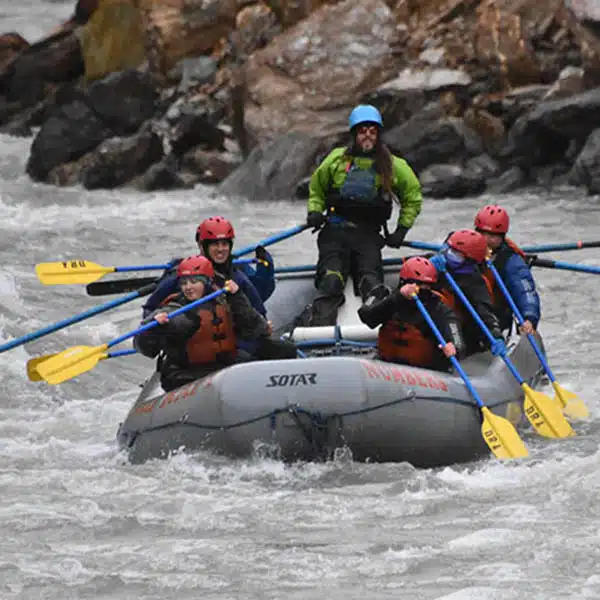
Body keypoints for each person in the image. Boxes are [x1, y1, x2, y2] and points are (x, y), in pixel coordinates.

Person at [305, 104, 423, 326]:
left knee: (371, 283)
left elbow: (413, 197)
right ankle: (320, 330)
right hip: (335, 233)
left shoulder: (393, 166)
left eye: (372, 131)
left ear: (378, 134)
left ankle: (379, 328)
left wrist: (401, 230)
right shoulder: (336, 160)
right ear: (354, 134)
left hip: (368, 236)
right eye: (362, 131)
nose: (367, 135)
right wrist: (314, 211)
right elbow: (317, 188)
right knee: (331, 280)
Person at [134, 256, 295, 392]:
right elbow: (144, 347)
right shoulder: (174, 308)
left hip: (223, 365)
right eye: (184, 283)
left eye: (194, 281)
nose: (188, 287)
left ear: (207, 282)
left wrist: (238, 297)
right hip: (186, 374)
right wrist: (153, 328)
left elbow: (256, 329)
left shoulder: (224, 298)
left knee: (284, 349)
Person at [142, 216, 275, 319]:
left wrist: (266, 271)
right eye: (215, 245)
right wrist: (158, 320)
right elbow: (150, 308)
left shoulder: (238, 270)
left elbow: (260, 298)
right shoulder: (182, 273)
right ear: (202, 246)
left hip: (232, 337)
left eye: (224, 244)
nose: (220, 249)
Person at [358, 257, 466, 371]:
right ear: (403, 282)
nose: (423, 289)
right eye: (419, 285)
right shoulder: (386, 295)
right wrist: (398, 298)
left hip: (422, 371)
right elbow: (366, 316)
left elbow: (457, 339)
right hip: (385, 363)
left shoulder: (438, 308)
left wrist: (454, 348)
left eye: (427, 286)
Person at [429, 229, 505, 356]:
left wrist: (496, 335)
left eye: (455, 255)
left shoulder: (475, 284)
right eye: (449, 251)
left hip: (454, 327)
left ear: (469, 260)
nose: (449, 256)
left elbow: (485, 313)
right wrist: (429, 266)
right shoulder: (438, 263)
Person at [474, 204, 541, 335]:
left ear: (502, 237)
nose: (486, 240)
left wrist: (529, 317)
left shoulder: (511, 262)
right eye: (482, 234)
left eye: (492, 236)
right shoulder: (462, 247)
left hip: (494, 319)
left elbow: (525, 291)